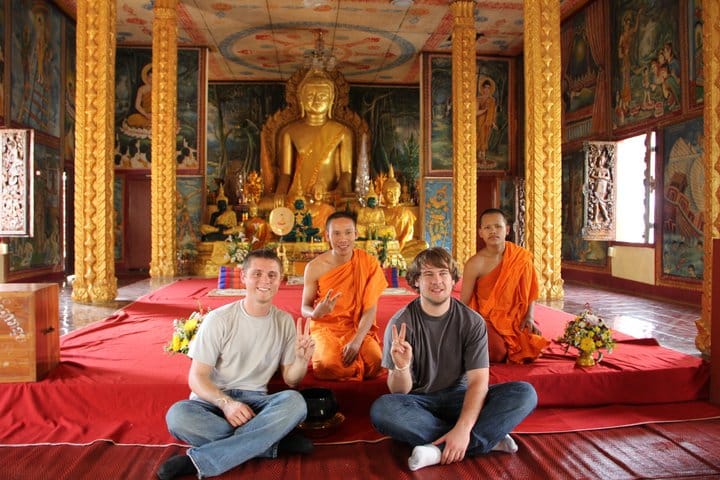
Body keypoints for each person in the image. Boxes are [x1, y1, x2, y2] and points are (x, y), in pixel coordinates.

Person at [370, 247, 537, 472]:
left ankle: (438, 450)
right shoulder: (401, 323)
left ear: (453, 279)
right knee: (382, 410)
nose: (437, 280)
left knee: (524, 393)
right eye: (428, 274)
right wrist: (402, 367)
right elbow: (399, 392)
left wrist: (463, 427)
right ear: (416, 281)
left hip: (461, 398)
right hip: (421, 404)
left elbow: (478, 382)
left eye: (443, 273)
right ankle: (485, 439)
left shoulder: (471, 322)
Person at [158, 249, 316, 480]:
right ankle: (269, 444)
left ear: (280, 280)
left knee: (295, 403)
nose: (265, 281)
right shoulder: (219, 319)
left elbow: (292, 380)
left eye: (272, 275)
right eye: (257, 274)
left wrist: (302, 360)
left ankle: (199, 460)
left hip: (256, 402)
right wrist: (227, 404)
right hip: (213, 400)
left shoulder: (284, 321)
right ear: (243, 277)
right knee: (178, 416)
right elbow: (197, 377)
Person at [300, 211, 387, 381]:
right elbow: (304, 307)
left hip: (357, 326)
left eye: (348, 232)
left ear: (356, 234)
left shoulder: (368, 263)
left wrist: (357, 340)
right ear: (327, 235)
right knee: (328, 366)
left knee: (375, 363)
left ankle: (352, 364)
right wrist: (316, 313)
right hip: (326, 328)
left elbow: (370, 309)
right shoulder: (314, 267)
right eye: (336, 233)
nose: (343, 239)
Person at [460, 209, 549, 363]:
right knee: (497, 352)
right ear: (480, 232)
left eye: (498, 226)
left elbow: (529, 292)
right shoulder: (475, 263)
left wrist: (529, 317)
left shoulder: (520, 257)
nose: (493, 231)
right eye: (487, 228)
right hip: (487, 319)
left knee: (532, 346)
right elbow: (464, 303)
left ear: (507, 230)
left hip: (516, 317)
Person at [272, 68, 353, 204]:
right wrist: (280, 193)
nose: (316, 100)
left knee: (353, 204)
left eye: (322, 96)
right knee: (266, 204)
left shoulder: (342, 132)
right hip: (298, 199)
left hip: (328, 198)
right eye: (310, 96)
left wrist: (338, 191)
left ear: (331, 100)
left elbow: (347, 173)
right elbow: (286, 174)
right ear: (301, 100)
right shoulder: (289, 131)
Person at [476, 78, 497, 165]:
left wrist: (493, 123)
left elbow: (493, 113)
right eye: (485, 87)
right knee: (480, 138)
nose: (487, 90)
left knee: (485, 139)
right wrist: (485, 110)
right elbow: (475, 113)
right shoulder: (478, 99)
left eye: (489, 88)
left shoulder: (492, 100)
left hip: (488, 123)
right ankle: (482, 157)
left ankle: (481, 155)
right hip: (479, 121)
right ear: (482, 88)